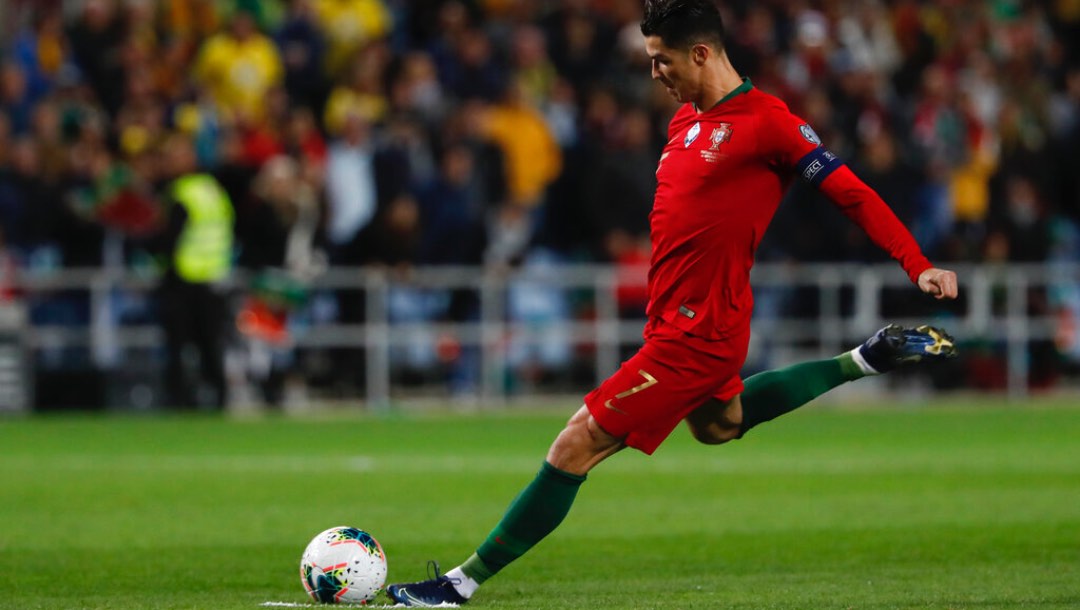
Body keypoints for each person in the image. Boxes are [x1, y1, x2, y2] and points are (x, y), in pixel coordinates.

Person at [385, 1, 960, 606]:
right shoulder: (683, 122)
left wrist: (917, 265)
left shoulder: (770, 123)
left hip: (698, 334)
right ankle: (866, 358)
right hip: (676, 321)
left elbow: (853, 193)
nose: (654, 73)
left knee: (574, 445)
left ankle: (457, 585)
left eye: (662, 61)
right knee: (720, 424)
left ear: (702, 53)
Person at [155, 133, 235, 410]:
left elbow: (168, 239)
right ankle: (219, 399)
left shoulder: (181, 192)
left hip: (185, 278)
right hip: (214, 277)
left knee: (179, 347)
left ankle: (180, 401)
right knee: (211, 346)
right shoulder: (213, 190)